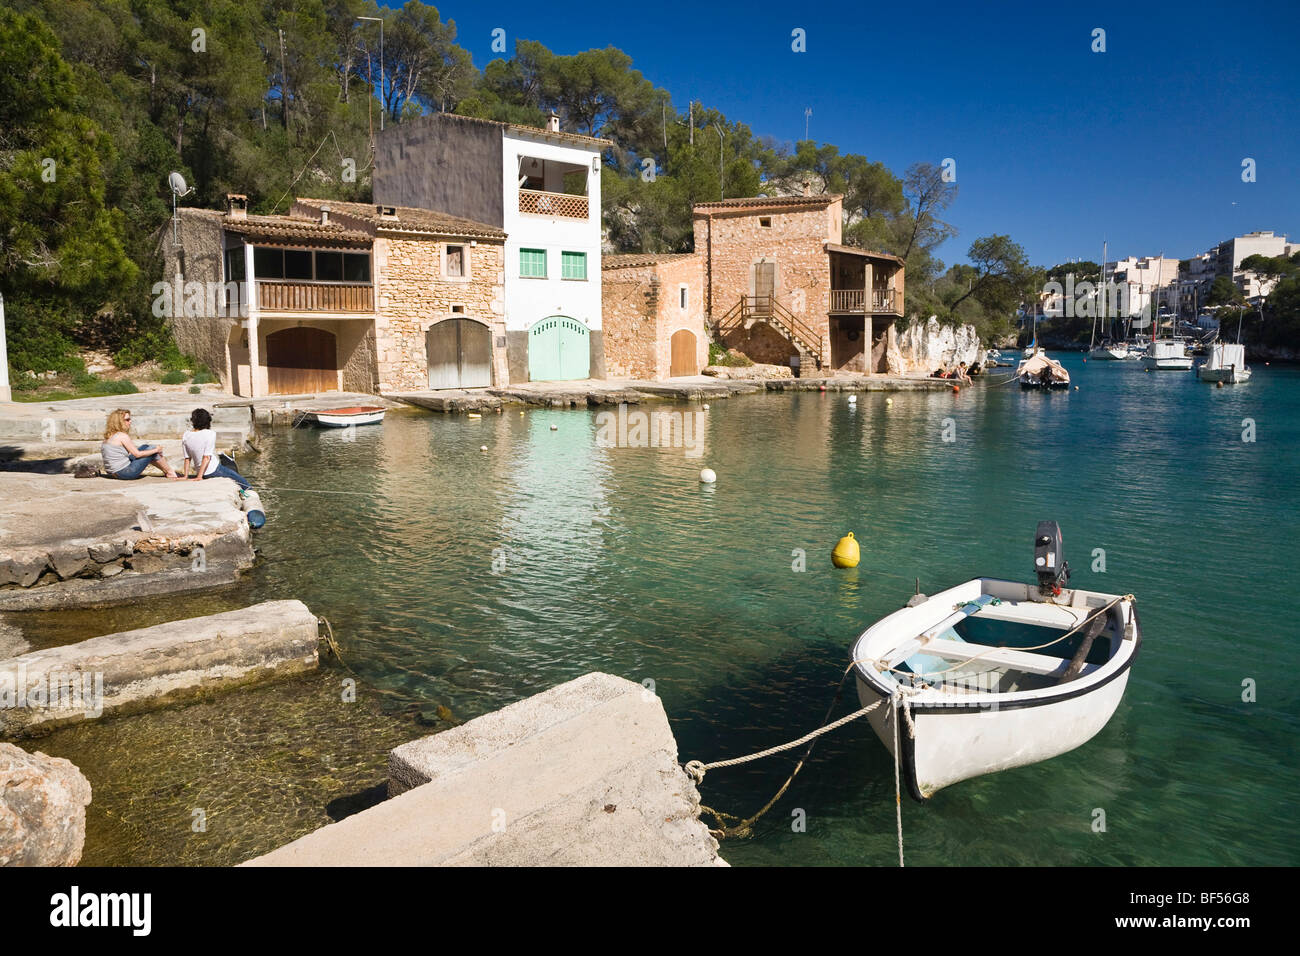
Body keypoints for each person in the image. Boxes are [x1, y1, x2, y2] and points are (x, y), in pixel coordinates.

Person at [182, 408, 252, 490]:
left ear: (193, 421)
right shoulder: (210, 434)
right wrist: (199, 477)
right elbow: (206, 457)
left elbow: (187, 458)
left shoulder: (186, 435)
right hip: (214, 470)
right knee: (246, 485)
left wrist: (185, 476)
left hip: (201, 470)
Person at [101, 409, 179, 480]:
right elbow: (137, 454)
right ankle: (170, 472)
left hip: (114, 473)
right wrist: (156, 450)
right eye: (127, 420)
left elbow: (130, 453)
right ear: (119, 422)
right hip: (125, 473)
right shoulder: (122, 436)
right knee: (152, 449)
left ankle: (168, 471)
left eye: (130, 419)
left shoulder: (108, 437)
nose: (130, 421)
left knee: (146, 447)